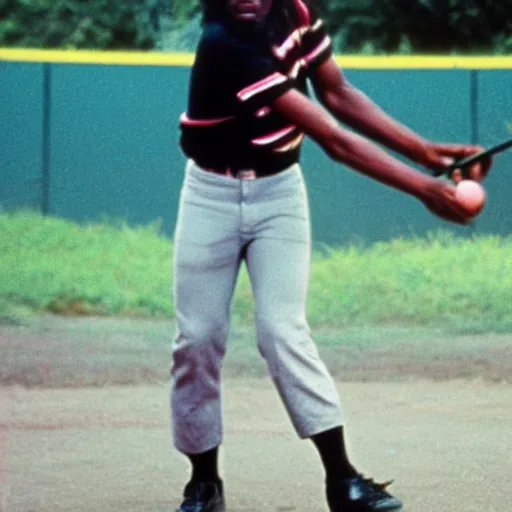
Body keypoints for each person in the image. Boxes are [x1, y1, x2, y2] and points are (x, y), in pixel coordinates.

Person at [170, 1, 490, 511]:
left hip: (278, 194)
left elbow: (338, 94)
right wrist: (427, 190)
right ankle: (204, 482)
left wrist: (429, 154)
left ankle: (343, 480)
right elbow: (334, 140)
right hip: (210, 194)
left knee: (283, 331)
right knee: (198, 338)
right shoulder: (223, 43)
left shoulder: (296, 12)